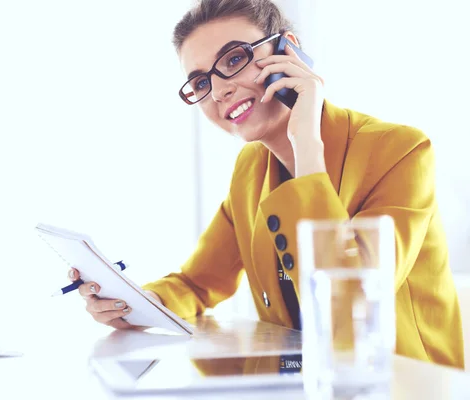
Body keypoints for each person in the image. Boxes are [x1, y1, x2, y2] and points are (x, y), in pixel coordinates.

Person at [68, 0, 464, 369]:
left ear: (287, 51)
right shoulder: (251, 168)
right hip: (302, 381)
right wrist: (133, 305)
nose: (220, 89)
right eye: (200, 82)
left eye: (235, 59)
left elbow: (350, 300)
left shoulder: (398, 149)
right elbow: (197, 283)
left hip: (402, 381)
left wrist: (306, 142)